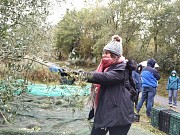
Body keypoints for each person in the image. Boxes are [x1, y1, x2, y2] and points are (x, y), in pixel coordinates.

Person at [81, 35, 135, 135]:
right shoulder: (106, 67)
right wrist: (74, 74)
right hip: (106, 112)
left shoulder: (122, 69)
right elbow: (98, 74)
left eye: (107, 53)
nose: (103, 55)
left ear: (115, 55)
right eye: (104, 53)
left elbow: (105, 77)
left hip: (120, 116)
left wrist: (82, 75)